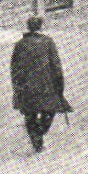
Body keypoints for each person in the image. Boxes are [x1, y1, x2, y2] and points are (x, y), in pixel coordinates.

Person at [10, 16, 71, 153]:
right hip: (46, 86)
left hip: (26, 87)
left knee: (30, 115)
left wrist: (17, 87)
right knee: (49, 111)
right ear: (41, 27)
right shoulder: (48, 42)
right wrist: (60, 86)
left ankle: (36, 141)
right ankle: (39, 134)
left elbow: (14, 68)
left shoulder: (20, 44)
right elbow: (56, 66)